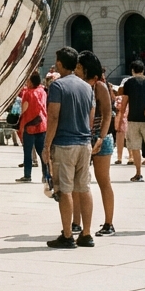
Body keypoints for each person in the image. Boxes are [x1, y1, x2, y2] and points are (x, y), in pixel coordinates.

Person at [42, 46, 95, 248]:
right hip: (84, 143)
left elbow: (53, 116)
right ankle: (87, 234)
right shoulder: (87, 87)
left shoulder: (57, 87)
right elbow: (91, 117)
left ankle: (67, 235)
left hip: (65, 144)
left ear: (61, 64)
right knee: (84, 188)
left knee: (65, 190)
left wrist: (47, 145)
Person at [76, 50, 115, 236]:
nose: (76, 70)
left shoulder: (99, 85)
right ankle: (76, 222)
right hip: (82, 137)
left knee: (103, 180)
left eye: (79, 66)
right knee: (78, 182)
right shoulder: (79, 85)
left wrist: (100, 137)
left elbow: (107, 113)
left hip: (101, 138)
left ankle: (109, 223)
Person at [120, 59, 145, 181]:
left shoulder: (128, 83)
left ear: (132, 70)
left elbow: (125, 101)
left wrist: (122, 115)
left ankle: (138, 173)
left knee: (135, 147)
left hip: (133, 119)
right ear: (143, 70)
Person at [16, 72, 49, 184]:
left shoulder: (28, 93)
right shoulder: (42, 91)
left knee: (28, 152)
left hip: (29, 126)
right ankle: (46, 174)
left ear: (31, 81)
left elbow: (24, 109)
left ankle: (27, 175)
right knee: (42, 151)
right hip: (42, 124)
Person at [113, 85, 129, 164]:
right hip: (129, 119)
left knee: (119, 139)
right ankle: (131, 157)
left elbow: (118, 107)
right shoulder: (131, 97)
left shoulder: (119, 98)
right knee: (129, 140)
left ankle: (119, 158)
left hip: (120, 118)